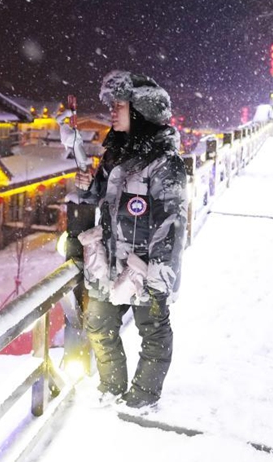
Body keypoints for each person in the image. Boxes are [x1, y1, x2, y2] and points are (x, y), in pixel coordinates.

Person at [59, 71, 188, 408]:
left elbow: (172, 223)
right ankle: (112, 387)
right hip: (108, 259)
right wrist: (89, 185)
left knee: (154, 332)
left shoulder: (165, 163)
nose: (112, 112)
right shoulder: (114, 153)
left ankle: (143, 397)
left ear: (141, 112)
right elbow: (101, 197)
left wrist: (159, 275)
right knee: (99, 325)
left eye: (119, 105)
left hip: (144, 264)